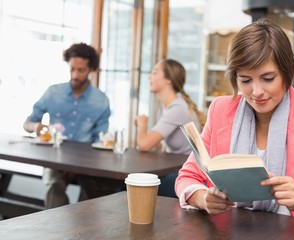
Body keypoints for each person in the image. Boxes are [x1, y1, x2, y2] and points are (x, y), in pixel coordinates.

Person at [175, 18, 294, 224]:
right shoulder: (221, 109)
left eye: (267, 78)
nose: (256, 92)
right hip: (229, 231)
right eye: (245, 80)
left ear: (288, 72)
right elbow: (187, 177)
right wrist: (203, 198)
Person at [23, 42, 116, 208]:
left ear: (91, 70)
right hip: (54, 160)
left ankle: (81, 227)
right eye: (72, 69)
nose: (75, 74)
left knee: (94, 189)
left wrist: (77, 167)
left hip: (86, 163)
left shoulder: (101, 101)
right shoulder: (53, 92)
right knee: (54, 184)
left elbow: (99, 141)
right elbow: (27, 123)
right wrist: (36, 127)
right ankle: (59, 228)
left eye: (81, 70)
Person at [135, 59, 205, 197]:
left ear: (168, 80)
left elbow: (144, 145)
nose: (150, 77)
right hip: (180, 167)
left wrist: (142, 124)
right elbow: (157, 146)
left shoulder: (177, 108)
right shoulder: (165, 107)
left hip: (192, 174)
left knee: (137, 186)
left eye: (155, 73)